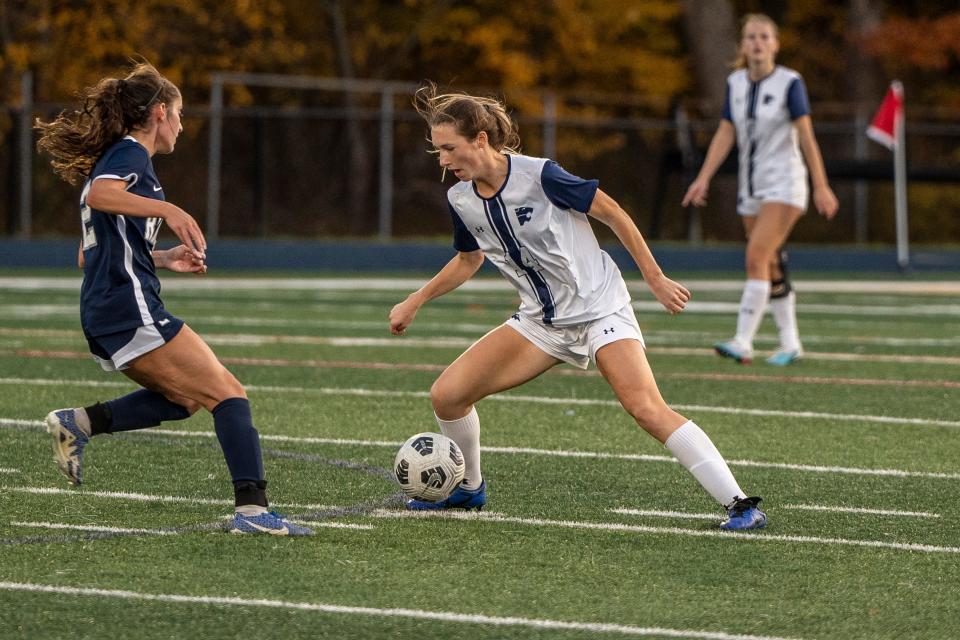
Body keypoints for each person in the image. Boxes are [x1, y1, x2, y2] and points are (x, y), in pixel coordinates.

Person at [389, 84, 766, 530]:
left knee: (645, 408)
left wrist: (655, 278)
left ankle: (740, 504)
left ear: (481, 140)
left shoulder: (541, 175)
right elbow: (469, 259)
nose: (443, 161)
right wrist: (417, 300)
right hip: (541, 322)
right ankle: (469, 488)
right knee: (447, 396)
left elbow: (613, 213)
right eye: (438, 152)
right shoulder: (461, 199)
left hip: (599, 308)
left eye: (449, 148)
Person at [34, 62, 311, 536]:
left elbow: (88, 253)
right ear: (160, 112)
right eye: (180, 113)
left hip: (109, 307)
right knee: (229, 393)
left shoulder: (117, 160)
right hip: (126, 306)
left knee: (184, 399)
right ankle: (252, 512)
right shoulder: (128, 156)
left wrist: (162, 257)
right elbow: (101, 197)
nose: (183, 124)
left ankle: (78, 422)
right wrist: (169, 209)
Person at [682, 13, 839, 366]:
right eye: (751, 36)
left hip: (785, 184)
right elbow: (726, 133)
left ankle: (743, 340)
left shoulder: (789, 82)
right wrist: (703, 177)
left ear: (776, 44)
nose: (757, 42)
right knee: (769, 263)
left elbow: (806, 136)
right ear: (743, 45)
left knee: (755, 257)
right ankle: (791, 343)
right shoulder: (736, 83)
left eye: (764, 36)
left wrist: (821, 185)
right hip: (750, 187)